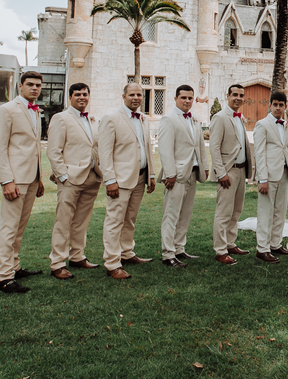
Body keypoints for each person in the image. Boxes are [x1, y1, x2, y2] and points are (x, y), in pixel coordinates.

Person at [0, 71, 47, 293]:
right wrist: (7, 181)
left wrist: (39, 178)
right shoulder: (7, 110)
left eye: (38, 85)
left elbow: (33, 147)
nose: (35, 88)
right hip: (15, 179)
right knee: (8, 226)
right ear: (20, 86)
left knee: (19, 227)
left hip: (31, 178)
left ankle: (14, 265)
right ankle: (3, 277)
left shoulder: (35, 111)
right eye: (30, 84)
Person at [97, 84, 156, 279]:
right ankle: (112, 263)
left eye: (139, 94)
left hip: (140, 177)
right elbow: (104, 154)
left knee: (130, 218)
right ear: (123, 96)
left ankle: (127, 252)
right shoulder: (111, 119)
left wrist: (151, 175)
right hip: (120, 180)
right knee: (114, 220)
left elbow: (146, 148)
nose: (136, 98)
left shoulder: (143, 119)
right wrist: (110, 180)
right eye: (132, 94)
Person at [46, 82, 104, 279]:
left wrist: (100, 172)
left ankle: (77, 256)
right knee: (63, 221)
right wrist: (63, 176)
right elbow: (53, 150)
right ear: (70, 97)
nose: (82, 97)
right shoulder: (61, 118)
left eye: (85, 94)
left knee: (81, 220)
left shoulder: (93, 119)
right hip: (70, 178)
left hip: (92, 177)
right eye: (77, 94)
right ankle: (57, 263)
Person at [157, 84, 209, 267]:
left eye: (190, 98)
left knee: (185, 214)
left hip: (192, 173)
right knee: (171, 214)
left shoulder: (194, 120)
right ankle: (168, 254)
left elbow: (200, 146)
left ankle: (179, 248)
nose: (187, 101)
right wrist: (170, 174)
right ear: (175, 99)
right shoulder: (168, 119)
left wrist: (205, 166)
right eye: (183, 98)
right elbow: (165, 150)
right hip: (176, 175)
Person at [208, 83, 254, 265]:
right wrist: (221, 173)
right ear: (227, 96)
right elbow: (214, 147)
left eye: (241, 95)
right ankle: (220, 250)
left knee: (236, 211)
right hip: (228, 171)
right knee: (223, 213)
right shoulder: (220, 117)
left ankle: (230, 242)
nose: (238, 98)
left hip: (242, 171)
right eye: (234, 94)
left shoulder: (239, 117)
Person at [253, 91, 288, 263]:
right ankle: (262, 248)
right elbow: (259, 152)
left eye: (281, 105)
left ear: (285, 106)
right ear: (269, 105)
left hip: (284, 174)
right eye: (275, 104)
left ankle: (275, 243)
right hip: (268, 176)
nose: (278, 108)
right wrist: (262, 178)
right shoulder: (262, 124)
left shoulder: (286, 125)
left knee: (280, 211)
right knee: (266, 212)